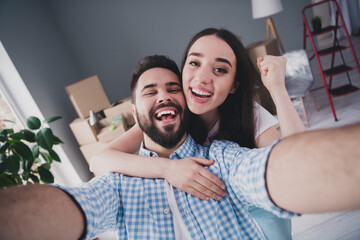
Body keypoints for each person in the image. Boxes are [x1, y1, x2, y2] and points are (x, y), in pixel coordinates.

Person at [1, 55, 360, 240]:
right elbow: (80, 202)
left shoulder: (220, 155)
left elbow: (275, 170)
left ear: (187, 101)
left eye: (173, 88)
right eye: (150, 91)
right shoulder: (119, 179)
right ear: (134, 111)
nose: (163, 96)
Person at [90, 28, 305, 239]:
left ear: (234, 85)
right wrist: (169, 169)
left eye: (220, 69)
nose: (202, 78)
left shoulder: (248, 113)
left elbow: (295, 165)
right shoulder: (171, 113)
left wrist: (277, 88)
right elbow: (99, 160)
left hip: (261, 213)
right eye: (194, 63)